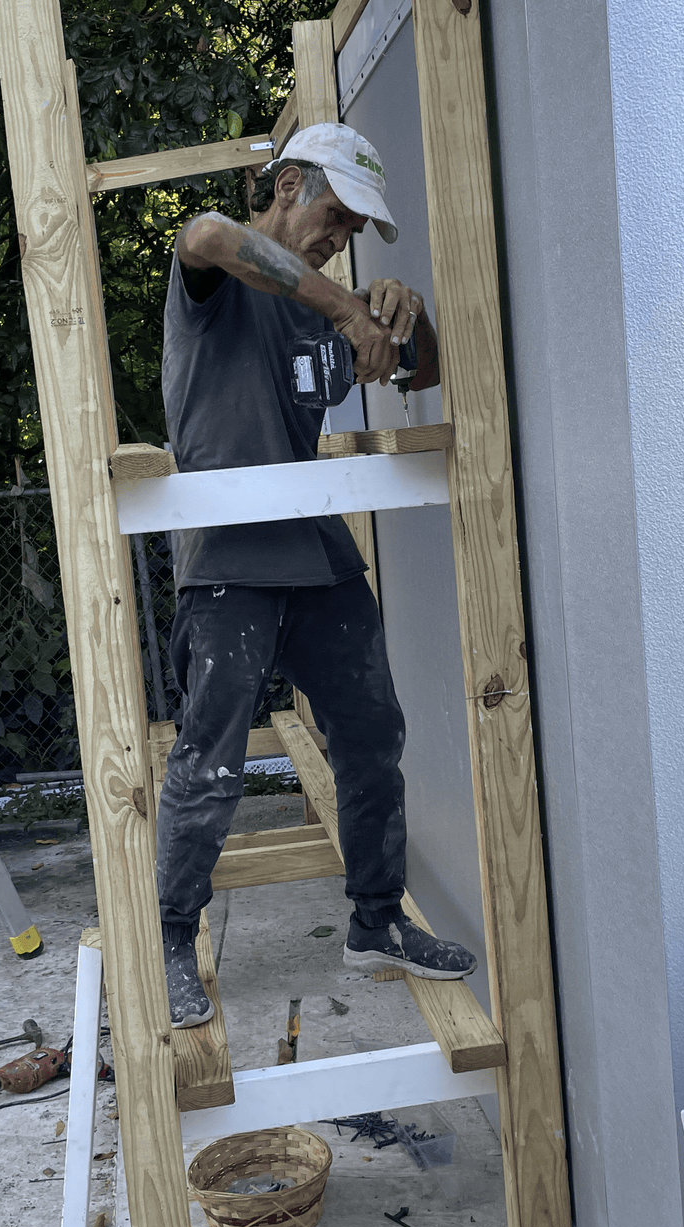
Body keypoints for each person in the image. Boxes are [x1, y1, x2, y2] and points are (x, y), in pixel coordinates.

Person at [156, 122, 477, 1026]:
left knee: (373, 735)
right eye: (332, 216)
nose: (338, 240)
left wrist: (406, 316)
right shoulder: (219, 286)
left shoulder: (326, 310)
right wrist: (345, 306)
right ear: (288, 184)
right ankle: (175, 936)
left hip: (314, 551)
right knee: (210, 763)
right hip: (228, 557)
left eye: (349, 232)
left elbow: (428, 371)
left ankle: (376, 922)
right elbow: (209, 235)